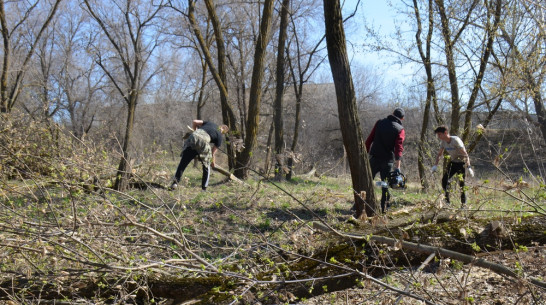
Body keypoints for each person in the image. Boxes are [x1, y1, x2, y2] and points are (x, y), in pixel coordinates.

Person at [365, 108, 405, 214]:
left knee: (367, 181)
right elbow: (398, 148)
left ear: (392, 114)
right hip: (387, 161)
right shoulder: (400, 129)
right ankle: (384, 208)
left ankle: (359, 204)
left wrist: (365, 154)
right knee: (384, 184)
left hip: (374, 158)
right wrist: (398, 166)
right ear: (402, 118)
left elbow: (369, 139)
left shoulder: (379, 122)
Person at [170, 120, 229, 191]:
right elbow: (213, 153)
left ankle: (175, 183)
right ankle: (204, 188)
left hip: (193, 137)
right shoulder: (219, 136)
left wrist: (195, 131)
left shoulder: (210, 123)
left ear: (220, 126)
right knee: (206, 166)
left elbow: (194, 121)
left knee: (183, 163)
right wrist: (212, 163)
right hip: (203, 142)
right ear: (223, 132)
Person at [432, 125, 474, 206]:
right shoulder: (443, 142)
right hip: (453, 162)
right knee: (444, 180)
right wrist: (435, 165)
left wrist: (469, 167)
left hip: (462, 163)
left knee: (461, 183)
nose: (438, 136)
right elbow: (439, 154)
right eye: (437, 135)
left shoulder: (456, 140)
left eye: (439, 134)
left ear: (445, 133)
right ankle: (447, 202)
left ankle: (463, 204)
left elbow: (465, 154)